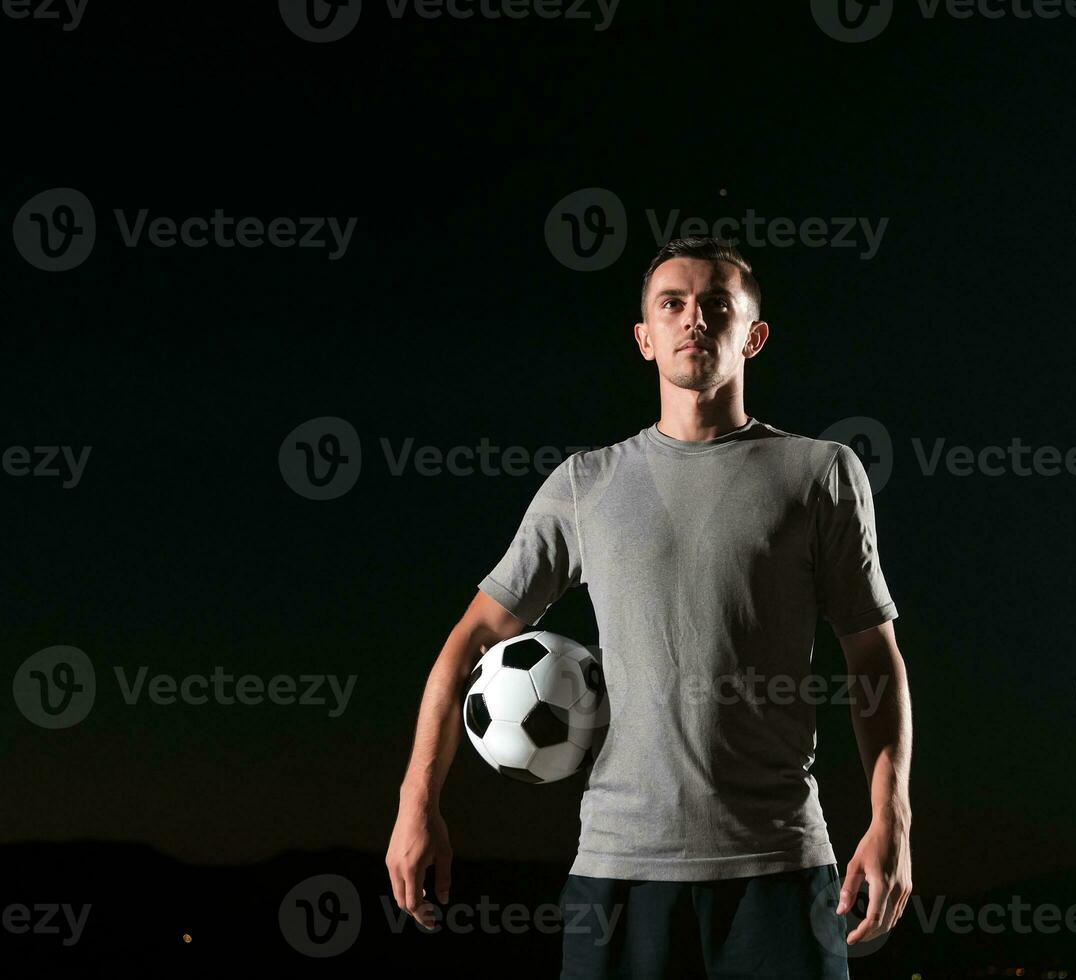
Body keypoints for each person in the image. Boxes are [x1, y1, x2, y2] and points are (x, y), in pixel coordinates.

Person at [385, 236, 913, 979]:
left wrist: (892, 818)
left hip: (779, 866)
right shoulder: (586, 484)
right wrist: (418, 802)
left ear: (752, 336)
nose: (693, 319)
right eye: (671, 304)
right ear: (644, 338)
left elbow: (872, 658)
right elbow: (469, 640)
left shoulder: (819, 474)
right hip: (618, 872)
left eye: (716, 305)